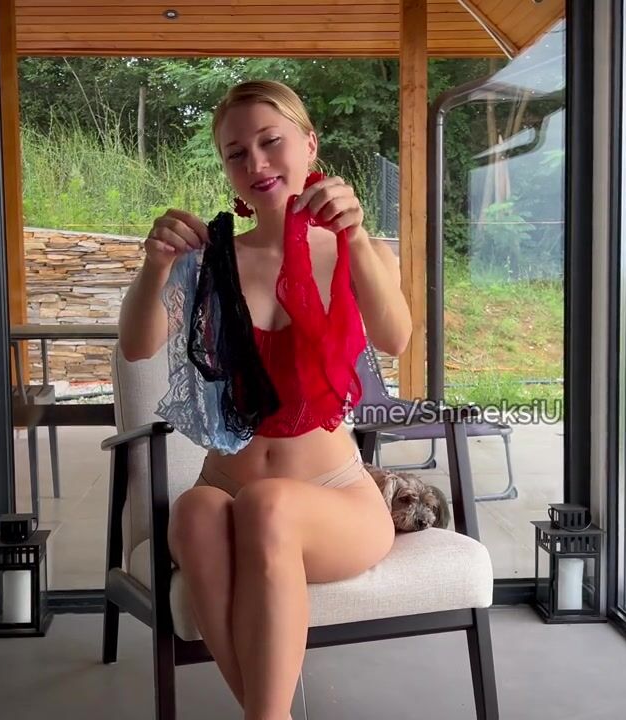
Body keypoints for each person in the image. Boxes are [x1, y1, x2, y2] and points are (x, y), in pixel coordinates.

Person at [118, 80, 414, 720]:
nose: (255, 162)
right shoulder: (211, 259)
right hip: (225, 489)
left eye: (270, 141)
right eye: (236, 153)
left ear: (309, 143)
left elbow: (395, 337)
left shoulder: (360, 251)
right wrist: (155, 265)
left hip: (332, 498)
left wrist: (355, 237)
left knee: (270, 502)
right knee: (195, 511)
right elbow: (137, 346)